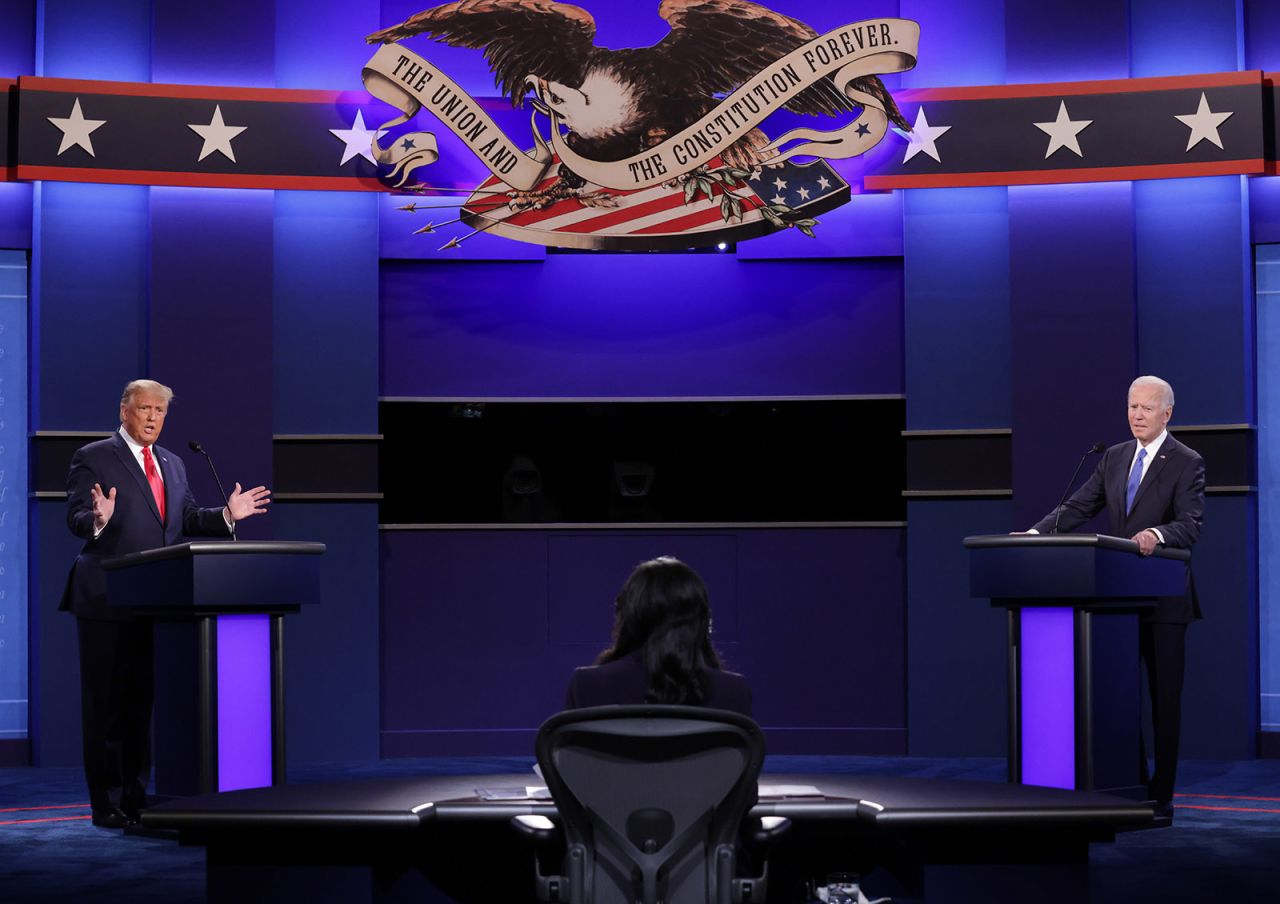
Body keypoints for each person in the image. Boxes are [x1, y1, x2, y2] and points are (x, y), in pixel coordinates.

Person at [61, 379, 271, 828]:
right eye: (144, 409)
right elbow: (77, 515)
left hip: (155, 601)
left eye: (160, 411)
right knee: (107, 708)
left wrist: (227, 515)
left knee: (141, 706)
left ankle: (137, 797)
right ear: (124, 411)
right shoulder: (94, 456)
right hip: (106, 599)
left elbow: (187, 518)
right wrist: (96, 520)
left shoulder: (173, 464)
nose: (153, 417)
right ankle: (108, 803)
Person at [1025, 375, 1204, 815]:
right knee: (1122, 699)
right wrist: (1035, 533)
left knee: (1164, 703)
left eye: (1146, 408)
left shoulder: (1187, 461)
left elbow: (1191, 524)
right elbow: (1079, 507)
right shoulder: (1114, 458)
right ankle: (1132, 784)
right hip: (1120, 599)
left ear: (1167, 413)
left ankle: (1162, 795)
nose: (1137, 415)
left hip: (1164, 600)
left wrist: (1157, 534)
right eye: (1131, 407)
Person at [565, 556, 752, 715]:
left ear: (627, 618)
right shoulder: (734, 692)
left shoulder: (587, 686)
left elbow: (570, 757)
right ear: (701, 621)